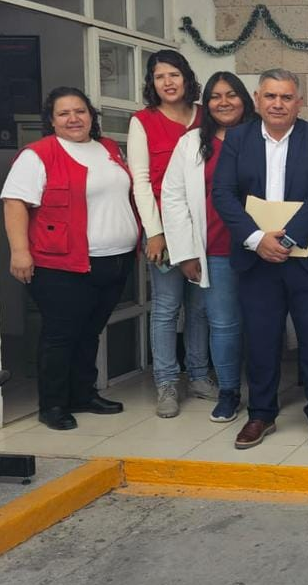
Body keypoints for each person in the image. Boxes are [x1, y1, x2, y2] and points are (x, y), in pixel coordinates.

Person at [212, 69, 308, 450]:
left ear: (299, 102)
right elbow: (223, 194)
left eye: (286, 97)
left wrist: (288, 237)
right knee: (262, 339)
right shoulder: (237, 139)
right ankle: (261, 414)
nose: (278, 104)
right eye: (271, 97)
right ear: (257, 100)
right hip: (257, 259)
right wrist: (256, 239)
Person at [1, 88, 138, 430]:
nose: (74, 119)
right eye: (64, 113)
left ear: (91, 115)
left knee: (90, 331)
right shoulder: (38, 155)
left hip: (114, 259)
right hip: (61, 264)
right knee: (61, 334)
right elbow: (15, 203)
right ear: (51, 120)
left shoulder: (107, 148)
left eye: (80, 111)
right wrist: (20, 251)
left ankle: (82, 393)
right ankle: (53, 404)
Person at [161, 72, 256, 423]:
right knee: (224, 323)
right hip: (215, 247)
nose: (224, 102)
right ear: (207, 103)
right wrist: (185, 251)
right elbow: (172, 197)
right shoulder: (190, 144)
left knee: (262, 322)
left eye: (231, 94)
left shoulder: (262, 138)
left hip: (263, 247)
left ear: (244, 99)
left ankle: (264, 392)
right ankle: (229, 391)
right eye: (216, 96)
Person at [127, 49, 212, 418]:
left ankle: (198, 374)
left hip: (205, 228)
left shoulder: (205, 116)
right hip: (164, 229)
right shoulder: (142, 121)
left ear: (186, 77)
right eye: (160, 76)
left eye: (174, 74)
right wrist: (154, 232)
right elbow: (141, 182)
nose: (168, 82)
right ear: (152, 83)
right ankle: (165, 383)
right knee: (165, 307)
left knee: (199, 308)